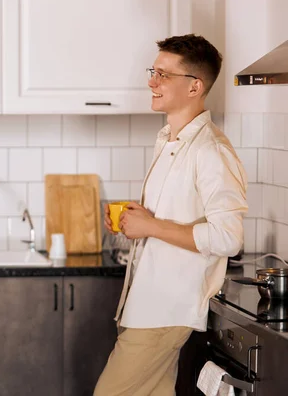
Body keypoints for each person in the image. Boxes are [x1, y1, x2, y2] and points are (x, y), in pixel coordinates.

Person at [94, 34, 248, 395]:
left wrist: (152, 225)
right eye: (154, 71)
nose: (151, 81)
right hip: (149, 300)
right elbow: (174, 216)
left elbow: (228, 237)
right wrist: (140, 218)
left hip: (166, 307)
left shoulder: (211, 149)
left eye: (163, 74)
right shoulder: (171, 139)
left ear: (194, 86)